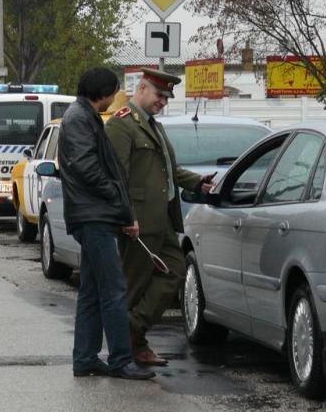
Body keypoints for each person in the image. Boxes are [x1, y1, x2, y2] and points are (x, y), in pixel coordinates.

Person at [105, 68, 215, 367]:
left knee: (175, 272)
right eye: (159, 95)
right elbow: (116, 178)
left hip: (163, 219)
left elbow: (168, 169)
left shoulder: (154, 126)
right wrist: (126, 217)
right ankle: (126, 348)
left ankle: (132, 331)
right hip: (137, 222)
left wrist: (196, 181)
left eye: (166, 98)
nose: (163, 102)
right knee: (134, 285)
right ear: (141, 88)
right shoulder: (122, 124)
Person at [58, 67, 155, 381]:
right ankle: (120, 359)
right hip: (93, 215)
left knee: (92, 291)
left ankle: (85, 358)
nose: (115, 97)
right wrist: (116, 197)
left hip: (92, 214)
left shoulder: (83, 116)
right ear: (102, 92)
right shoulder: (78, 119)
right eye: (113, 91)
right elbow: (87, 167)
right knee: (114, 289)